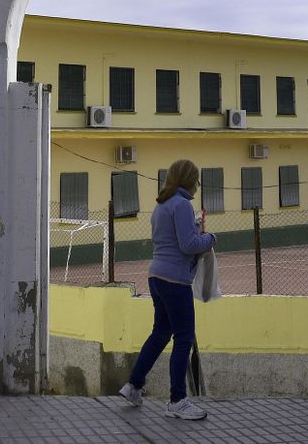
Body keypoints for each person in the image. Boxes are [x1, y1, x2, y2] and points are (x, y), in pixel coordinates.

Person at [118, 158, 216, 420]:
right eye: (196, 179)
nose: (197, 185)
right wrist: (210, 238)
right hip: (175, 281)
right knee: (183, 338)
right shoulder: (182, 205)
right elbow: (188, 244)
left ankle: (133, 386)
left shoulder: (161, 205)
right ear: (189, 180)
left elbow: (169, 240)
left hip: (157, 275)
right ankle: (177, 401)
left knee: (160, 332)